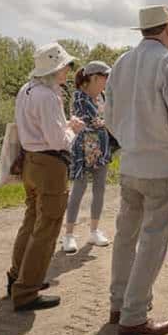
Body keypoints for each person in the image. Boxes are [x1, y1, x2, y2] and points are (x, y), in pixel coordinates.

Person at [105, 5, 168, 335]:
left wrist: (129, 141)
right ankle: (134, 316)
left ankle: (118, 305)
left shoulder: (121, 62)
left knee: (126, 235)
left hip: (130, 164)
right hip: (161, 164)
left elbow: (110, 114)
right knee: (153, 240)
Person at [7, 43, 85, 311]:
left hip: (30, 161)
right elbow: (58, 141)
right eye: (65, 66)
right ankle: (27, 291)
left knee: (31, 221)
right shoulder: (49, 97)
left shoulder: (26, 90)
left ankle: (17, 277)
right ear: (54, 69)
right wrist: (73, 128)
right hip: (50, 166)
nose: (68, 70)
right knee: (47, 228)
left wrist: (64, 127)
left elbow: (39, 130)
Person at [62, 61, 113, 254]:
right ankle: (68, 234)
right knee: (79, 189)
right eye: (105, 78)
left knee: (100, 189)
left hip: (101, 147)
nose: (107, 82)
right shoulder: (79, 97)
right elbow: (94, 121)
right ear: (94, 77)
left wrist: (106, 122)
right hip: (82, 149)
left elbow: (105, 121)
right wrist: (108, 121)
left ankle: (94, 230)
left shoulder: (102, 96)